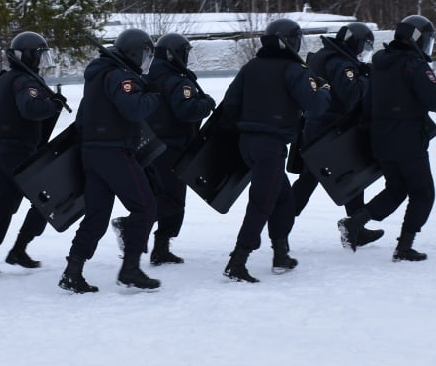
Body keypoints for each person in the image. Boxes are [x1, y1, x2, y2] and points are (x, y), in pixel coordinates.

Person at [217, 18, 330, 283]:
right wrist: (324, 90)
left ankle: (281, 254)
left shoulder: (251, 67)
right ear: (292, 41)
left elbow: (230, 103)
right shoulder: (294, 69)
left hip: (248, 143)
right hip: (270, 146)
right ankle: (238, 261)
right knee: (262, 202)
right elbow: (315, 106)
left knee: (283, 199)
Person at [339, 15, 436, 261]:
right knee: (423, 193)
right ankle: (404, 246)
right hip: (408, 139)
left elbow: (367, 101)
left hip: (381, 139)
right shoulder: (414, 64)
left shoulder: (379, 63)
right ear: (417, 39)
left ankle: (355, 223)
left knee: (397, 189)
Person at [60, 27, 162, 294]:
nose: (145, 62)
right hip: (113, 152)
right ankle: (130, 269)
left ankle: (73, 271)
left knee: (96, 217)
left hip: (93, 153)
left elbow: (82, 119)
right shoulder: (119, 77)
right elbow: (134, 109)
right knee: (146, 206)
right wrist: (153, 95)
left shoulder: (99, 76)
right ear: (133, 53)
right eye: (145, 56)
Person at [0, 31, 65, 277]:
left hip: (1, 150)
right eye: (40, 56)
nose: (43, 62)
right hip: (18, 153)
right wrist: (53, 104)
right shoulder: (25, 81)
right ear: (30, 57)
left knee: (3, 207)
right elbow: (30, 109)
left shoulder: (7, 78)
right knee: (46, 199)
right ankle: (19, 249)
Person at [289, 22, 377, 228]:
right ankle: (282, 218)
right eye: (363, 48)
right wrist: (365, 77)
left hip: (315, 125)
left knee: (325, 177)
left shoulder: (322, 56)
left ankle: (355, 226)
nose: (362, 54)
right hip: (331, 129)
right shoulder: (343, 64)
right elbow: (351, 95)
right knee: (346, 176)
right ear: (355, 44)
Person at [144, 33, 216, 265]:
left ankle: (160, 249)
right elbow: (186, 111)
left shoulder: (148, 77)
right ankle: (133, 225)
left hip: (150, 146)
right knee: (174, 200)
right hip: (173, 146)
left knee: (162, 196)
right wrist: (206, 104)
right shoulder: (178, 81)